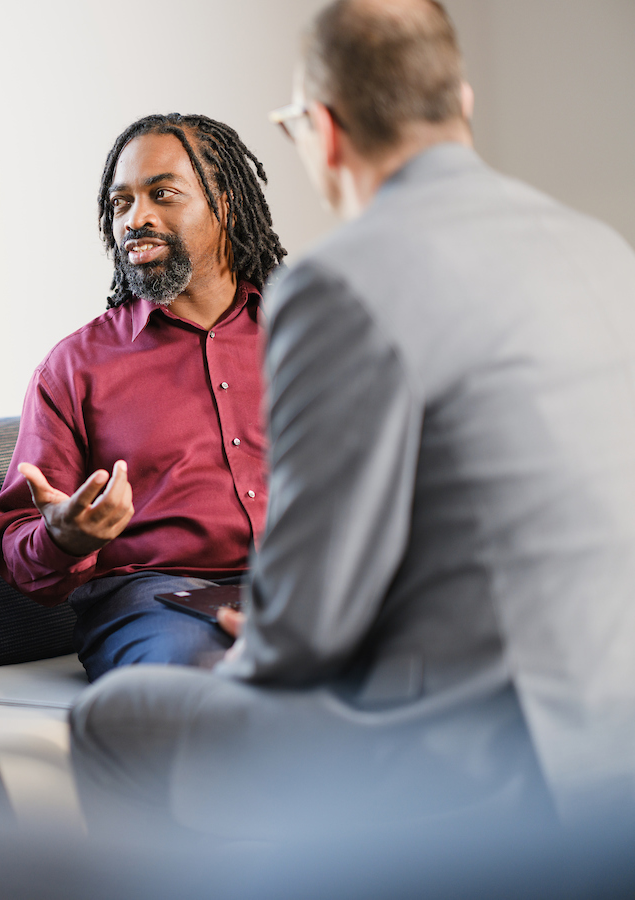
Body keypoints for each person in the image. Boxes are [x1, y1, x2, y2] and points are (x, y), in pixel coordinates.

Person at [70, 0, 635, 836]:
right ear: (462, 103)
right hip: (615, 717)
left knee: (110, 721)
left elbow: (307, 628)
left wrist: (269, 633)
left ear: (323, 130)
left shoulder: (339, 283)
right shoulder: (602, 251)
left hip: (485, 744)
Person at [0, 114, 287, 681]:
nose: (135, 218)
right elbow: (20, 545)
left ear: (225, 204)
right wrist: (63, 536)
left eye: (162, 194)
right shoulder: (74, 367)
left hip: (307, 588)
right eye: (121, 203)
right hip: (159, 601)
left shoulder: (305, 341)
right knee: (215, 679)